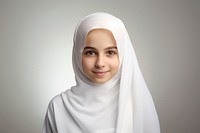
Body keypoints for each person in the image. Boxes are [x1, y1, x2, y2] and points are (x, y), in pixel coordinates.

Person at [42, 12, 160, 133]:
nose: (100, 63)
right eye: (90, 53)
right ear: (78, 54)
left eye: (110, 52)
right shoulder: (58, 107)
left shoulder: (137, 104)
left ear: (123, 54)